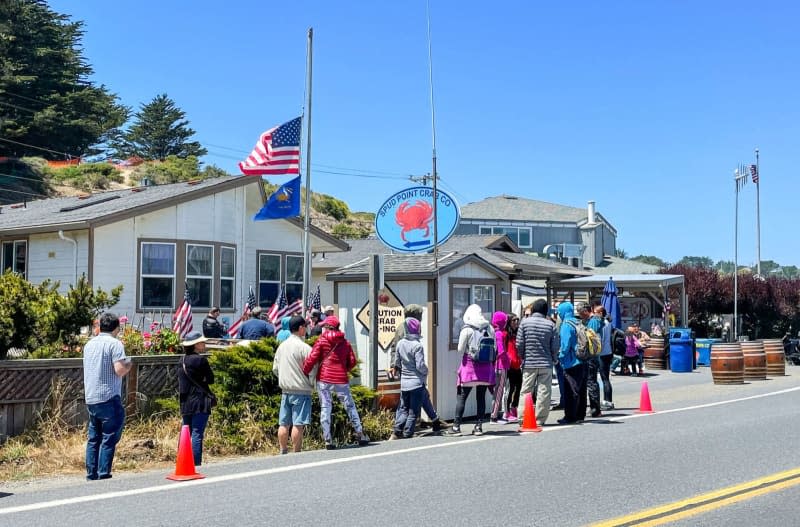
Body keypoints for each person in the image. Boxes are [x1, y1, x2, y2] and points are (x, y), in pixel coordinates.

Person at [302, 316, 370, 449]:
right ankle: (360, 433)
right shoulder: (345, 343)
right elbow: (352, 361)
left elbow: (312, 358)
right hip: (341, 380)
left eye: (325, 327)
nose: (323, 329)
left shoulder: (322, 341)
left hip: (324, 379)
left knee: (326, 407)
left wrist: (305, 371)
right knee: (350, 406)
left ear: (329, 327)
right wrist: (343, 370)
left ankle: (328, 439)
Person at [83, 312, 132, 480]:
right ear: (116, 328)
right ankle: (103, 472)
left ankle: (91, 473)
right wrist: (129, 364)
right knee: (110, 436)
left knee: (93, 437)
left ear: (100, 326)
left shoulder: (89, 344)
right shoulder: (115, 344)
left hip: (91, 396)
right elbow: (119, 370)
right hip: (109, 395)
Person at [388, 304, 444, 432]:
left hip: (408, 372)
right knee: (409, 402)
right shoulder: (405, 329)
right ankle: (403, 429)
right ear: (415, 315)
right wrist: (395, 366)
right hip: (412, 372)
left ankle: (435, 420)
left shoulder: (405, 327)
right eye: (420, 315)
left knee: (422, 395)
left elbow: (395, 349)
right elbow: (396, 349)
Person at [444, 304, 496, 437]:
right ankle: (478, 427)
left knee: (462, 397)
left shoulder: (466, 329)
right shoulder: (489, 327)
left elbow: (461, 349)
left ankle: (456, 427)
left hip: (470, 366)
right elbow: (494, 348)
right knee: (481, 397)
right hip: (486, 368)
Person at [273, 315, 315, 454]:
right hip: (301, 390)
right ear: (301, 328)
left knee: (283, 423)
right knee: (298, 424)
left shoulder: (281, 346)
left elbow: (275, 369)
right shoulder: (304, 348)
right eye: (305, 326)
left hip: (285, 389)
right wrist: (312, 383)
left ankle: (283, 450)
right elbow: (313, 369)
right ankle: (296, 452)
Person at [515, 299, 559, 427]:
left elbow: (519, 344)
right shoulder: (550, 325)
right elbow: (555, 345)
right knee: (544, 391)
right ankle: (540, 419)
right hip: (546, 363)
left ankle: (523, 418)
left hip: (529, 363)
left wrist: (523, 356)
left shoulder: (524, 323)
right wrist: (553, 357)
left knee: (526, 391)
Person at [177, 331, 215, 466]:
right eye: (202, 342)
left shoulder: (181, 360)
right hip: (200, 400)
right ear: (196, 345)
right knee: (197, 433)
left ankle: (182, 462)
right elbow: (211, 379)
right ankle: (196, 464)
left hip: (185, 401)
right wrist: (203, 378)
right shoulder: (200, 360)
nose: (204, 344)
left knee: (186, 433)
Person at [389, 318, 428, 439]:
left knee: (404, 409)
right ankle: (407, 434)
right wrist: (426, 371)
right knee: (413, 411)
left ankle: (396, 431)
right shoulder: (417, 346)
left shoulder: (401, 343)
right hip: (416, 382)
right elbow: (420, 365)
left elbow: (397, 362)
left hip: (404, 382)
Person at [557, 302, 587, 424]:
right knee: (581, 389)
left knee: (570, 389)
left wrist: (560, 357)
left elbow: (565, 345)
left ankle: (570, 416)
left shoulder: (566, 324)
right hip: (583, 358)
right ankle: (580, 414)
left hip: (571, 361)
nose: (559, 314)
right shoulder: (577, 322)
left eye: (559, 312)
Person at [578, 302, 604, 418]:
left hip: (591, 356)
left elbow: (589, 337)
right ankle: (594, 408)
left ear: (585, 311)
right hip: (592, 356)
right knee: (590, 381)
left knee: (591, 381)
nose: (579, 315)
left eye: (580, 313)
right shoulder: (593, 320)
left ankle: (595, 408)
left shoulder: (593, 321)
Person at [489, 311, 510, 423]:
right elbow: (501, 351)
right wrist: (508, 359)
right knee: (499, 392)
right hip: (501, 366)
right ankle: (494, 415)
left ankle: (493, 413)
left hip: (494, 365)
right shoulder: (500, 334)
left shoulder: (492, 332)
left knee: (496, 390)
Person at [594, 306, 615, 410]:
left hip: (603, 353)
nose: (594, 314)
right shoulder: (608, 323)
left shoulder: (603, 324)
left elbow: (600, 340)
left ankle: (608, 401)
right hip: (608, 352)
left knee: (604, 378)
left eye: (596, 312)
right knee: (605, 378)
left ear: (601, 313)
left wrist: (595, 352)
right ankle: (608, 400)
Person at [504, 314, 522, 423]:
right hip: (509, 365)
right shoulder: (506, 334)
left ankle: (514, 407)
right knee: (509, 389)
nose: (516, 322)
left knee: (519, 387)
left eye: (517, 320)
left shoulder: (518, 333)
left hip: (517, 364)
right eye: (514, 320)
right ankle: (507, 412)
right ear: (509, 322)